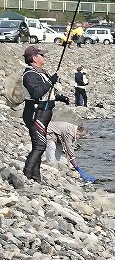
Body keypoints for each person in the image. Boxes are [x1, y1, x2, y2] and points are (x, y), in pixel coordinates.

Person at [21, 45, 69, 182]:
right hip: (35, 114)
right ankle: (26, 174)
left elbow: (47, 92)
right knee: (40, 145)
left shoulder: (41, 72)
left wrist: (61, 98)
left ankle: (36, 176)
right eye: (42, 55)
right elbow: (36, 93)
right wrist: (50, 81)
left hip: (44, 113)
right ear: (35, 58)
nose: (44, 57)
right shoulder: (29, 74)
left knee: (39, 145)